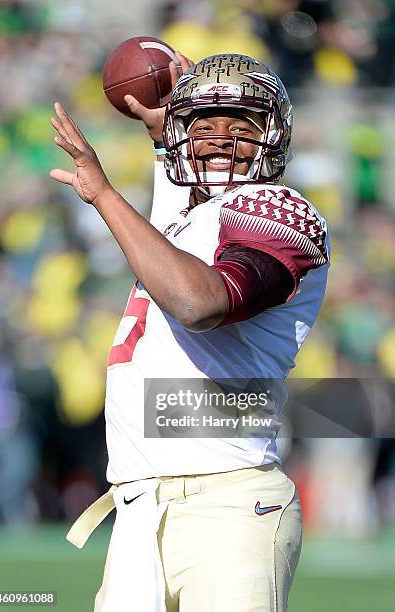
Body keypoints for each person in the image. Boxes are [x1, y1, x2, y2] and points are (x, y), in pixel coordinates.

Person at [50, 52, 329, 612]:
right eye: (203, 125)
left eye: (239, 127)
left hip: (229, 504)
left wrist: (105, 194)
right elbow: (180, 238)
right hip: (142, 509)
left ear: (273, 137)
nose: (219, 139)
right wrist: (163, 137)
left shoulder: (282, 210)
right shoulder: (192, 219)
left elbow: (198, 301)